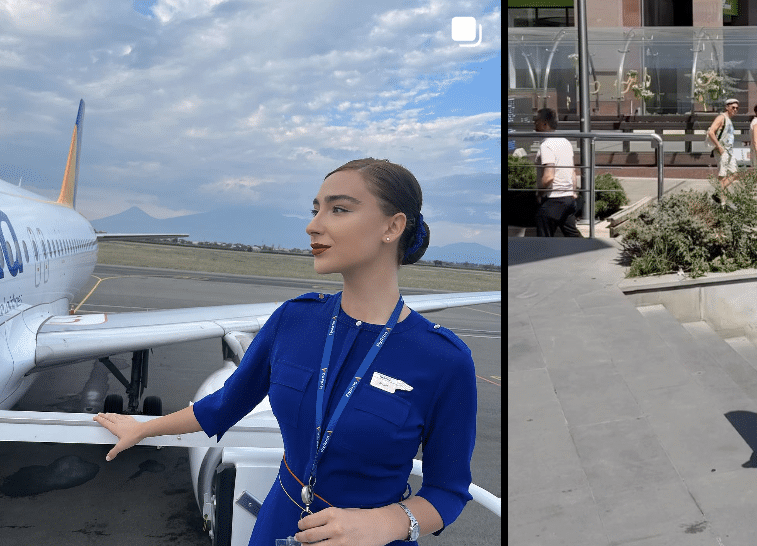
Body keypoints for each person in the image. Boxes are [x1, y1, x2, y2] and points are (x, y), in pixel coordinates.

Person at [95, 158, 478, 546]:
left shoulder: (444, 359)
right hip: (278, 526)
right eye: (316, 209)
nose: (313, 225)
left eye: (339, 209)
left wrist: (387, 523)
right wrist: (144, 427)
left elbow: (448, 491)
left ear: (392, 227)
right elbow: (225, 404)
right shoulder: (294, 321)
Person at [533, 108, 580, 237]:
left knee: (544, 239)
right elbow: (572, 172)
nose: (534, 124)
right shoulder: (565, 142)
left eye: (536, 121)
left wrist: (539, 194)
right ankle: (587, 254)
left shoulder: (546, 145)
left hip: (553, 199)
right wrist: (573, 193)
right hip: (568, 198)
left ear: (544, 124)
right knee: (573, 237)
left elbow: (548, 177)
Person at [706, 98, 741, 189]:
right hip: (722, 150)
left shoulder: (729, 119)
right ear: (727, 107)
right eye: (733, 107)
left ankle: (718, 192)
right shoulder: (721, 117)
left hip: (729, 151)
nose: (735, 110)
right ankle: (722, 201)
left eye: (737, 108)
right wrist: (719, 146)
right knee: (722, 175)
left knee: (735, 173)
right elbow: (711, 132)